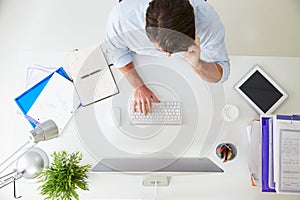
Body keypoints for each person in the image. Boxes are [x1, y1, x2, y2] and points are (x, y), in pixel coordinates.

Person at [105, 0, 230, 114]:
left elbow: (222, 72)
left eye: (174, 51)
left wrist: (198, 65)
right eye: (162, 49)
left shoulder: (208, 21)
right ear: (145, 21)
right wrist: (139, 86)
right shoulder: (121, 18)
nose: (168, 55)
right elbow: (116, 53)